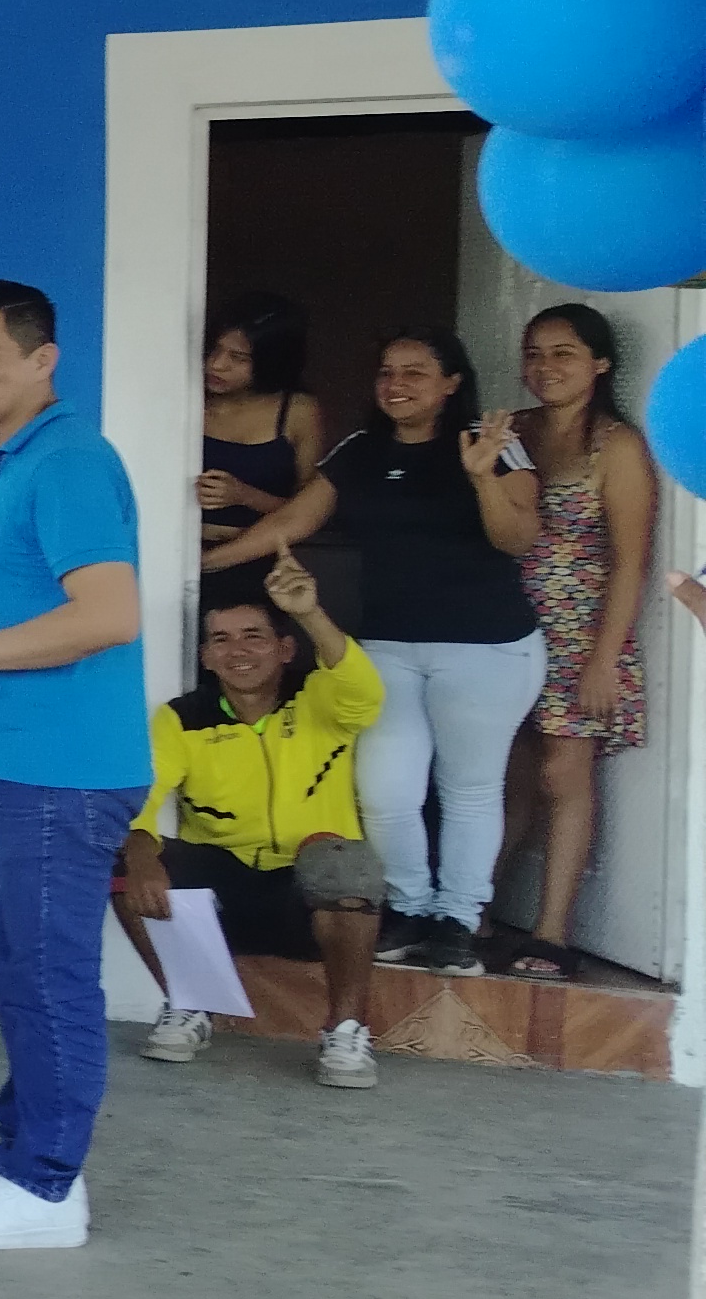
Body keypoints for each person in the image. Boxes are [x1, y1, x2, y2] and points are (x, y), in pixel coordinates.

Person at [0, 280, 147, 1254]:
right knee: (17, 968)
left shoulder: (70, 461)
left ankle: (47, 1189)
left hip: (64, 766)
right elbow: (16, 589)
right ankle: (20, 1155)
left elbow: (107, 614)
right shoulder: (9, 461)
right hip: (22, 761)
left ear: (42, 361)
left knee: (48, 978)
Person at [203, 329, 540, 978]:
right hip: (388, 643)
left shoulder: (491, 444)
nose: (396, 384)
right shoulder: (361, 449)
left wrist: (482, 478)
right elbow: (293, 521)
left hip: (488, 647)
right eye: (387, 371)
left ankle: (458, 921)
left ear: (451, 383)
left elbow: (517, 537)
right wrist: (203, 565)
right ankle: (409, 907)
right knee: (385, 789)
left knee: (469, 790)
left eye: (416, 372)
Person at [116, 553, 389, 1088]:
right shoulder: (182, 717)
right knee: (121, 863)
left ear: (285, 649)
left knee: (345, 861)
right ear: (206, 656)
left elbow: (364, 693)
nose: (237, 651)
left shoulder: (318, 698)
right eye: (221, 640)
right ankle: (187, 1004)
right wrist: (140, 852)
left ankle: (346, 1030)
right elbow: (141, 797)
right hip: (225, 892)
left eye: (253, 637)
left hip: (307, 892)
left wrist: (308, 612)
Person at [501, 303, 652, 979]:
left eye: (563, 353)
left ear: (600, 364)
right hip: (502, 626)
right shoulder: (511, 432)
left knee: (563, 774)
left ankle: (551, 934)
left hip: (578, 634)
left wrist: (603, 661)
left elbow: (631, 561)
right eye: (534, 354)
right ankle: (473, 912)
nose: (545, 367)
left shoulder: (616, 446)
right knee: (505, 775)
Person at [194, 294, 321, 565]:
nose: (217, 364)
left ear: (271, 360)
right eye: (214, 350)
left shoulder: (298, 410)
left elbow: (311, 509)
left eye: (238, 358)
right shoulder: (186, 397)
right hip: (172, 552)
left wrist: (244, 495)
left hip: (253, 557)